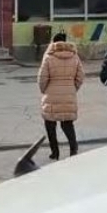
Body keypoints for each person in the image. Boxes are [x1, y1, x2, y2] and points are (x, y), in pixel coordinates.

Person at [37, 32, 85, 161]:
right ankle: (73, 149)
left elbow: (42, 78)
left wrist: (44, 90)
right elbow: (81, 76)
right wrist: (73, 88)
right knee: (67, 124)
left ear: (53, 42)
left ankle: (55, 152)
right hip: (69, 94)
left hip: (51, 95)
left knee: (50, 124)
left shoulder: (49, 57)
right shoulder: (74, 56)